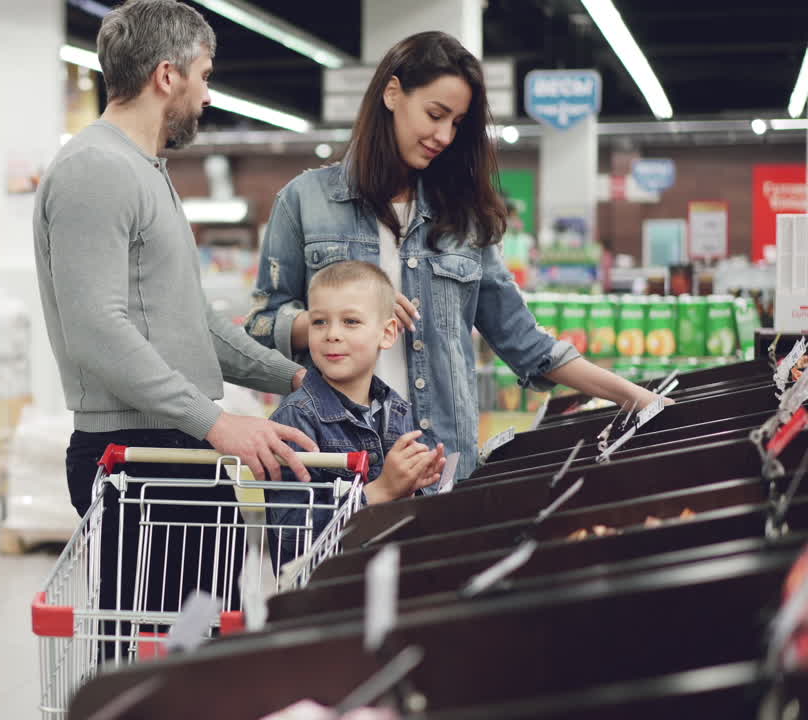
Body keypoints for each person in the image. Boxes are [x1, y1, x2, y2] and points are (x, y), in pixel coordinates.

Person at [246, 31, 669, 482]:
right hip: (338, 466)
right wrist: (338, 319)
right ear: (392, 93)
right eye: (435, 114)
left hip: (440, 465)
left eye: (457, 123)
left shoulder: (464, 219)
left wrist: (639, 398)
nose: (444, 135)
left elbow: (527, 344)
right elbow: (259, 324)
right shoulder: (306, 201)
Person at [33, 0, 315, 642]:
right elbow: (97, 331)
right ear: (168, 76)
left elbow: (195, 323)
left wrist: (295, 378)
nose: (208, 95)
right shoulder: (96, 171)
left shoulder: (143, 169)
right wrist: (214, 421)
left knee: (192, 638)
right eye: (205, 75)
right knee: (150, 649)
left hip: (174, 452)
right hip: (139, 461)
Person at [265, 262, 445, 565]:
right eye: (319, 322)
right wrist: (381, 490)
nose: (332, 334)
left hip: (383, 584)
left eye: (350, 321)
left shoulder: (396, 408)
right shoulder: (295, 419)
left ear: (387, 333)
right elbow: (292, 539)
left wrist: (416, 485)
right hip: (323, 599)